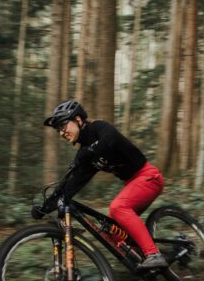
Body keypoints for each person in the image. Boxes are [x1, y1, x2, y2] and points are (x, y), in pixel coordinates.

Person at [32, 99, 168, 269]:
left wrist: (87, 154)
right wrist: (45, 207)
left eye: (63, 125)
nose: (61, 132)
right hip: (133, 184)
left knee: (118, 207)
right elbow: (70, 186)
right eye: (58, 129)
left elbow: (109, 140)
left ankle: (153, 254)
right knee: (110, 230)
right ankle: (145, 259)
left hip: (148, 176)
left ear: (78, 120)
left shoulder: (99, 128)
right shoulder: (84, 154)